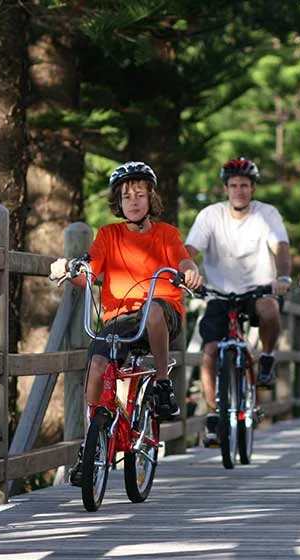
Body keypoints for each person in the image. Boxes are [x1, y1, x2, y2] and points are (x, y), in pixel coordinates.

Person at [49, 161, 202, 485]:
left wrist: (189, 271)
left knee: (154, 310)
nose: (133, 201)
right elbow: (89, 272)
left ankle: (162, 384)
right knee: (96, 366)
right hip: (121, 317)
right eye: (126, 196)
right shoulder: (108, 235)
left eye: (140, 195)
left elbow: (183, 260)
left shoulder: (166, 234)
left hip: (163, 314)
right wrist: (68, 269)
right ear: (118, 201)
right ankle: (90, 445)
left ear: (151, 199)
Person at [184, 156, 291, 447]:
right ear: (226, 188)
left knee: (269, 309)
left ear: (253, 188)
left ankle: (266, 357)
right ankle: (213, 415)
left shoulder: (266, 214)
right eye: (234, 185)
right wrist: (186, 270)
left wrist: (283, 277)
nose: (239, 191)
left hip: (258, 290)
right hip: (220, 292)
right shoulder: (210, 215)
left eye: (245, 185)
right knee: (210, 351)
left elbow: (281, 246)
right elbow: (189, 250)